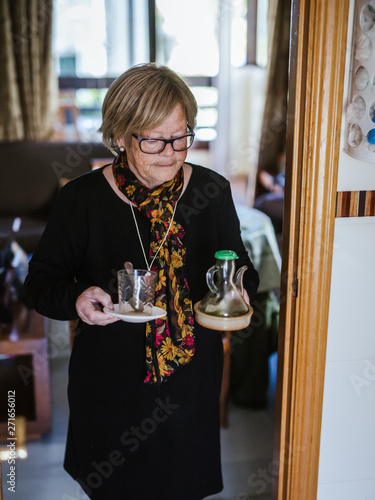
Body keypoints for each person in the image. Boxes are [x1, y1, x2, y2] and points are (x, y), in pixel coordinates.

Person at [24, 63, 259, 500]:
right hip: (113, 384)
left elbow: (241, 266)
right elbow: (39, 284)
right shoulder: (82, 199)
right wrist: (77, 297)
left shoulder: (212, 191)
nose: (171, 152)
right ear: (120, 136)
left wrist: (239, 289)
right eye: (153, 139)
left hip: (189, 379)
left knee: (182, 486)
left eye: (181, 136)